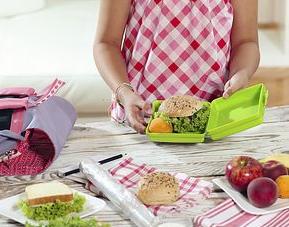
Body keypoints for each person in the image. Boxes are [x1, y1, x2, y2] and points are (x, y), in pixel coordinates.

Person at [93, 0, 259, 134]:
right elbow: (106, 43)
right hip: (139, 117)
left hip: (212, 116)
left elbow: (246, 41)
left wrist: (241, 74)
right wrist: (124, 93)